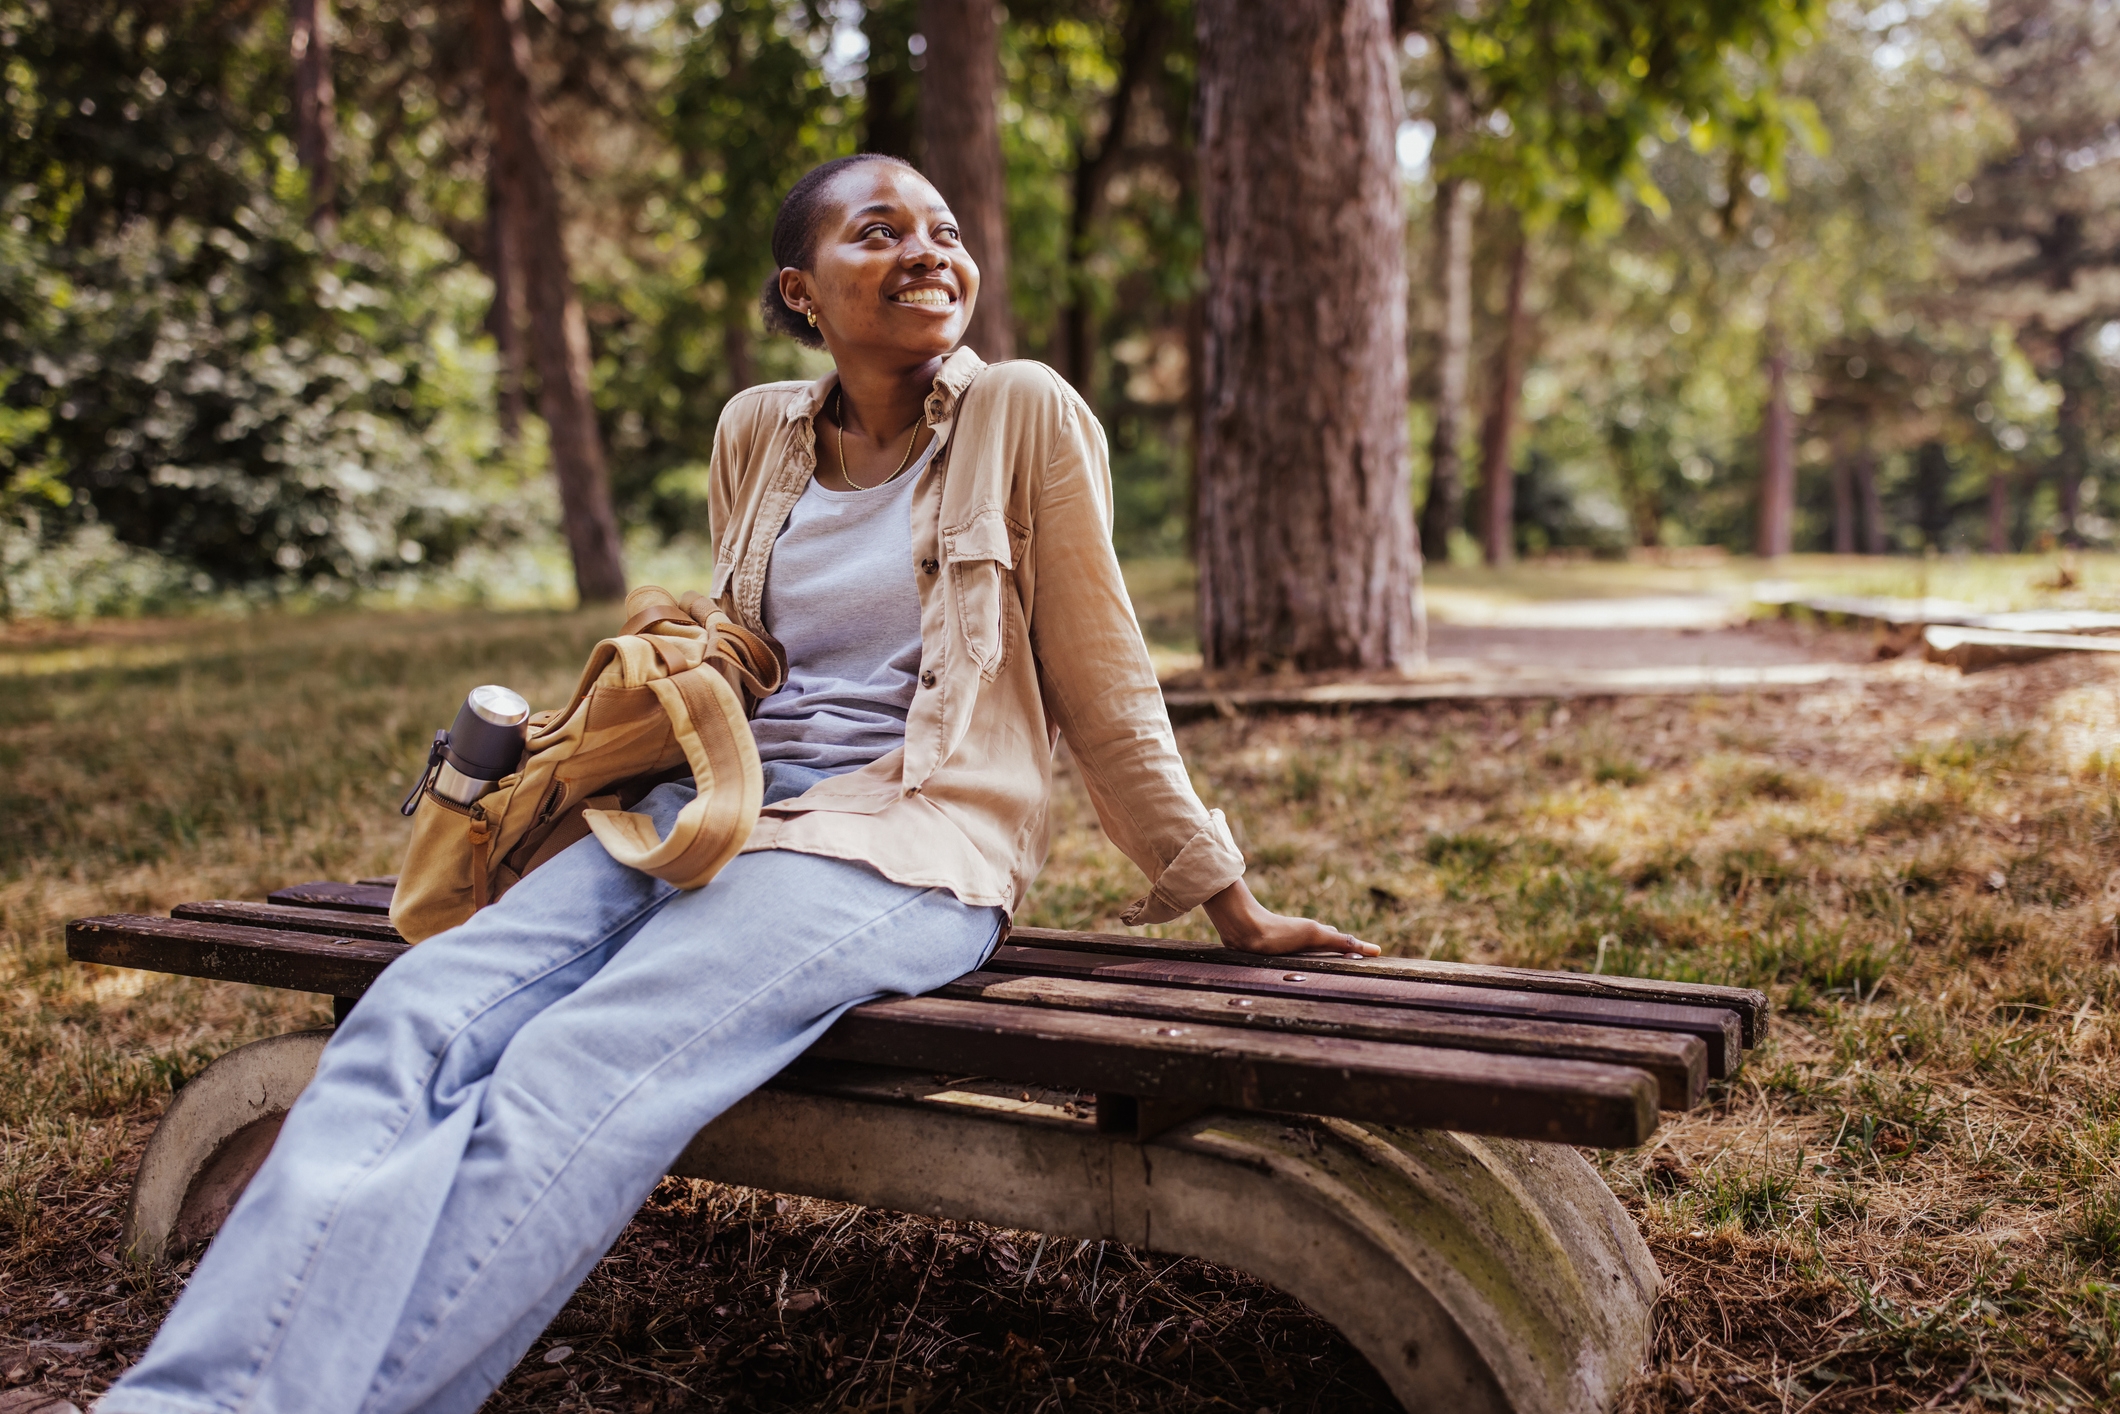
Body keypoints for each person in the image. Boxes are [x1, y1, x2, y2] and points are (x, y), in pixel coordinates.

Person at [96, 153, 1372, 1414]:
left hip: (900, 846)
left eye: (941, 227)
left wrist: (1224, 897)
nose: (928, 249)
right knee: (407, 1019)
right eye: (876, 231)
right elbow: (745, 651)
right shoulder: (756, 431)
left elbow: (1106, 682)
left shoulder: (1021, 410)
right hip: (702, 816)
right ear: (801, 288)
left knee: (572, 1068)